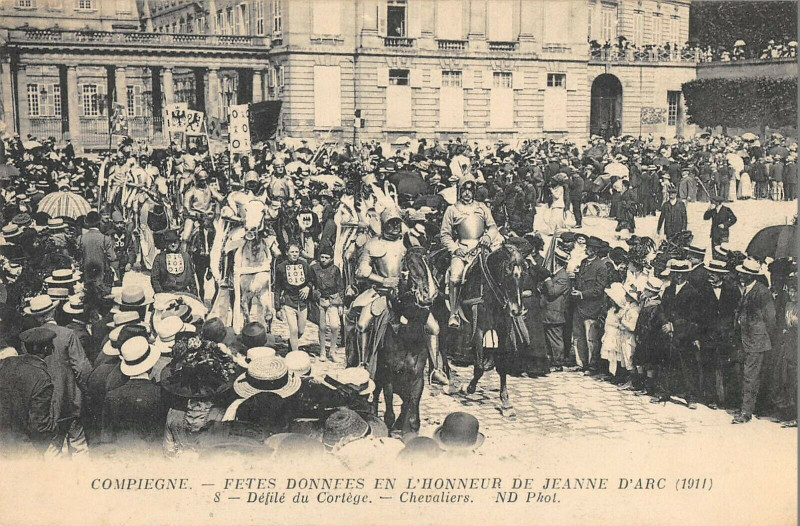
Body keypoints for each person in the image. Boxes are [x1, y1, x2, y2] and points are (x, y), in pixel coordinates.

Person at [25, 294, 92, 456]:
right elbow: (82, 369)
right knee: (79, 447)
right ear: (53, 311)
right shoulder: (68, 334)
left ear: (36, 317)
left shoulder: (27, 339)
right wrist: (88, 394)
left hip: (44, 406)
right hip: (70, 401)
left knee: (53, 451)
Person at [440, 179, 503, 328]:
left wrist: (488, 237)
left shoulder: (482, 207)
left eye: (470, 189)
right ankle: (454, 313)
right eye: (464, 190)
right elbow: (445, 235)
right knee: (455, 277)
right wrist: (455, 249)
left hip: (482, 248)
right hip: (462, 248)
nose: (467, 193)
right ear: (459, 191)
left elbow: (493, 227)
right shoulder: (452, 210)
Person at [100, 336, 166, 449]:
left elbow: (107, 437)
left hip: (123, 457)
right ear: (151, 365)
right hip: (153, 456)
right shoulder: (160, 393)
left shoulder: (112, 396)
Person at [0, 327, 56, 455]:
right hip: (22, 448)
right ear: (47, 349)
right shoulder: (41, 377)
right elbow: (39, 425)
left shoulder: (6, 363)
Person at [733, 258, 776, 424]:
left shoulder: (762, 292)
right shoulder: (747, 289)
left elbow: (770, 318)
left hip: (756, 341)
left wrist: (762, 335)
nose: (741, 275)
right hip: (746, 339)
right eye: (741, 272)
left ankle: (746, 412)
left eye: (745, 273)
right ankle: (747, 407)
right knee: (746, 374)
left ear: (752, 275)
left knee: (751, 376)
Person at [657, 260, 702, 410]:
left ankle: (691, 397)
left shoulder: (693, 292)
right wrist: (665, 323)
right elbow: (662, 309)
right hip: (667, 333)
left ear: (686, 275)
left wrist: (674, 325)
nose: (677, 277)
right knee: (666, 363)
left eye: (680, 274)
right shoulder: (669, 290)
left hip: (684, 335)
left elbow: (693, 316)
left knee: (686, 366)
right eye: (675, 274)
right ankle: (664, 392)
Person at [570, 236, 610, 374]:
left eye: (590, 248)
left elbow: (599, 289)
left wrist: (582, 294)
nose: (587, 249)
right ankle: (581, 363)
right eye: (587, 247)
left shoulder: (601, 267)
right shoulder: (583, 262)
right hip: (579, 306)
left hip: (591, 308)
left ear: (596, 251)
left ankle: (592, 366)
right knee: (578, 336)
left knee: (591, 338)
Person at [274, 243, 311, 353]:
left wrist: (307, 287)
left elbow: (311, 280)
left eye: (296, 252)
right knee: (293, 330)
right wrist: (277, 307)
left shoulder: (304, 265)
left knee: (300, 330)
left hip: (302, 302)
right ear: (287, 253)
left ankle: (292, 343)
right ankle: (295, 354)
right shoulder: (281, 267)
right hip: (289, 301)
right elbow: (277, 288)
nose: (294, 254)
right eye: (292, 252)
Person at [310, 242, 343, 362]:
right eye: (322, 257)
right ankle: (323, 351)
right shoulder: (314, 268)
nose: (323, 260)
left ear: (331, 258)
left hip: (333, 300)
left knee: (334, 326)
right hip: (320, 300)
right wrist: (313, 292)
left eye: (326, 258)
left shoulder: (335, 270)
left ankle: (333, 351)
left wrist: (341, 304)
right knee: (322, 327)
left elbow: (340, 287)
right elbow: (310, 282)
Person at [541, 247, 571, 370]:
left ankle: (558, 363)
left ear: (557, 262)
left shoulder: (563, 277)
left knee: (556, 339)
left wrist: (547, 279)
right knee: (550, 338)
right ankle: (552, 360)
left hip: (555, 313)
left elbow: (553, 292)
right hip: (548, 312)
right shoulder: (557, 275)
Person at [150, 229, 197, 295]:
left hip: (183, 293)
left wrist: (194, 295)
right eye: (170, 242)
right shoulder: (160, 257)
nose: (173, 244)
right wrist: (160, 293)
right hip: (165, 293)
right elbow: (154, 279)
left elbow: (191, 279)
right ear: (166, 243)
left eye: (175, 242)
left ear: (179, 242)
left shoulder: (186, 256)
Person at [77, 210, 117, 287]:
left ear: (87, 223)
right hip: (102, 275)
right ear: (99, 222)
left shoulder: (81, 238)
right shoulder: (105, 239)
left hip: (86, 275)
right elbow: (112, 257)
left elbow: (78, 257)